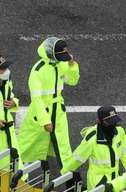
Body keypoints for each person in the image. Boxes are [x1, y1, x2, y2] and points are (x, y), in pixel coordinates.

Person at [18, 37, 80, 171]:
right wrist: (45, 120)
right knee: (25, 145)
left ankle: (70, 179)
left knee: (63, 147)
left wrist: (72, 65)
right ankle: (14, 175)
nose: (65, 58)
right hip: (41, 114)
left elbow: (72, 81)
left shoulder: (61, 63)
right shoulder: (38, 71)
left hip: (58, 112)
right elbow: (37, 99)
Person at [63, 105, 126, 192]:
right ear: (100, 121)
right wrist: (65, 174)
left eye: (114, 121)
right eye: (109, 122)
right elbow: (77, 157)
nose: (112, 124)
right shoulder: (91, 140)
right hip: (98, 181)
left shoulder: (119, 132)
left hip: (114, 179)